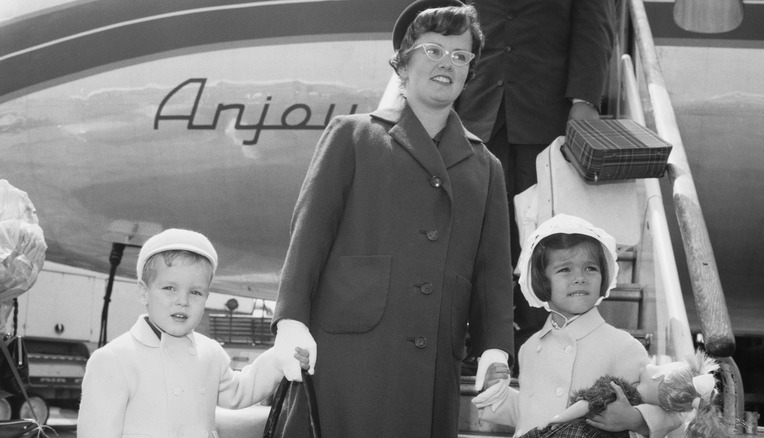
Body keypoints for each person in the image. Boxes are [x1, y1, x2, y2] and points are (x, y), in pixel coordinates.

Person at [269, 1, 514, 437]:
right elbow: (309, 236)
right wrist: (290, 320)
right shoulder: (353, 136)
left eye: (461, 56)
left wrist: (495, 348)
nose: (447, 64)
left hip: (433, 360)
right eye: (433, 50)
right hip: (348, 358)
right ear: (403, 61)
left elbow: (492, 270)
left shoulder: (486, 166)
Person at [454, 0, 618, 365]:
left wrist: (585, 99)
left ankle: (537, 340)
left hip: (543, 115)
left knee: (543, 234)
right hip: (478, 114)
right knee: (478, 235)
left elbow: (593, 31)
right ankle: (481, 339)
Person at [77, 228, 309, 438]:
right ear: (143, 292)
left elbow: (239, 391)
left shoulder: (210, 352)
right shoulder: (114, 359)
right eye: (169, 288)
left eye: (196, 292)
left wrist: (279, 358)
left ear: (206, 297)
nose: (183, 301)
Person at [472, 214, 681, 437]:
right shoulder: (529, 347)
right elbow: (530, 413)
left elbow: (669, 412)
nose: (580, 278)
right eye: (565, 269)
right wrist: (495, 390)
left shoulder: (622, 346)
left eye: (590, 268)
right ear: (542, 281)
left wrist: (633, 418)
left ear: (604, 276)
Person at [524, 350, 730, 438]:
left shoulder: (619, 384)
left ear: (658, 376)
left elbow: (588, 403)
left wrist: (556, 420)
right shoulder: (667, 415)